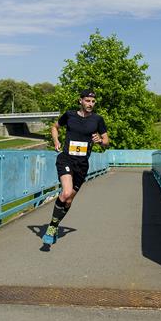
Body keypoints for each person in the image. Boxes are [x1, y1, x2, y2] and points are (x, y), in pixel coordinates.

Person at [43, 88, 109, 245]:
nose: (90, 104)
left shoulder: (98, 120)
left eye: (93, 101)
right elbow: (54, 127)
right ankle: (51, 227)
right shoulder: (69, 115)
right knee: (65, 192)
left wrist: (100, 141)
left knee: (69, 200)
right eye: (87, 100)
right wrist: (56, 141)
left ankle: (55, 225)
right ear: (80, 101)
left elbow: (107, 142)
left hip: (82, 164)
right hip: (66, 159)